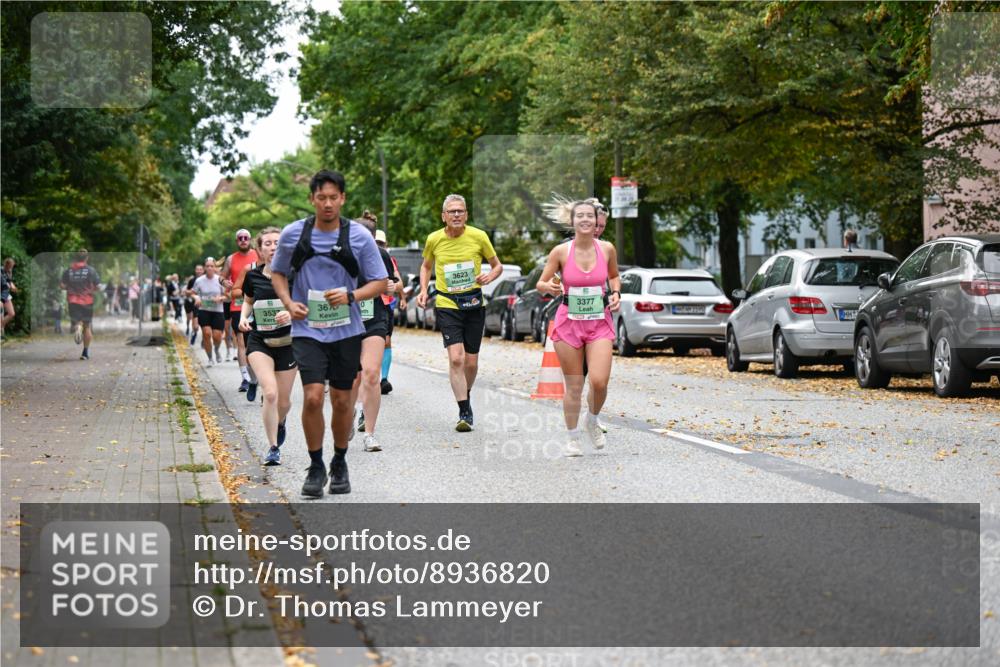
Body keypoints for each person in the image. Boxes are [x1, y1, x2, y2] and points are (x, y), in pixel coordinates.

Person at [270, 170, 388, 498]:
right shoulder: (294, 234)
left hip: (346, 330)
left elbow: (379, 281)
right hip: (307, 328)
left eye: (333, 198)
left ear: (343, 199)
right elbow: (278, 273)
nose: (327, 204)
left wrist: (351, 296)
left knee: (341, 400)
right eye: (321, 198)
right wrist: (289, 302)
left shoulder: (359, 237)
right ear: (312, 199)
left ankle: (339, 460)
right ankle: (316, 464)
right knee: (310, 397)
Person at [535, 201, 621, 457]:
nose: (585, 220)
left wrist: (616, 292)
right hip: (568, 322)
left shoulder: (606, 249)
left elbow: (614, 276)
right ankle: (572, 439)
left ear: (597, 222)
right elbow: (542, 281)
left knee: (599, 381)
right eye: (579, 216)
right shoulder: (560, 252)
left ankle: (592, 419)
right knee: (574, 385)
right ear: (572, 222)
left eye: (589, 216)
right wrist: (548, 287)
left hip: (599, 323)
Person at [417, 194, 502, 432]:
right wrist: (424, 290)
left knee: (471, 363)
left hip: (474, 303)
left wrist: (490, 276)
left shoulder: (479, 236)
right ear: (443, 216)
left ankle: (466, 391)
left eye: (460, 211)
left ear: (466, 214)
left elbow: (498, 266)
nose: (456, 215)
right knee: (456, 358)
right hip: (447, 303)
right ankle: (464, 410)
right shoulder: (434, 239)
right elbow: (425, 266)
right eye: (452, 211)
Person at [236, 227, 297, 466]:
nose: (273, 247)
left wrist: (291, 313)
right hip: (260, 341)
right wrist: (243, 317)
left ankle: (280, 422)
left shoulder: (295, 275)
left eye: (278, 243)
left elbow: (305, 305)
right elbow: (248, 301)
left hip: (289, 343)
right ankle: (273, 447)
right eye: (268, 244)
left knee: (284, 401)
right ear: (260, 250)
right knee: (269, 393)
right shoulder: (253, 276)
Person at [351, 211, 398, 453]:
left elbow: (393, 284)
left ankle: (369, 433)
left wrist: (391, 285)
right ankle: (349, 414)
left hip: (374, 318)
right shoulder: (341, 256)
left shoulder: (381, 255)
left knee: (371, 374)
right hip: (346, 319)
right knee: (352, 376)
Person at [222, 229, 260, 394]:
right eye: (240, 238)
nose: (243, 240)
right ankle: (246, 378)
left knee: (256, 342)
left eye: (246, 238)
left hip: (258, 304)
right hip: (238, 305)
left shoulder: (258, 255)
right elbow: (221, 277)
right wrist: (225, 283)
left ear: (250, 240)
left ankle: (256, 375)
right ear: (237, 241)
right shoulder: (231, 259)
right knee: (242, 341)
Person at [375, 229, 406, 394]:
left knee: (385, 341)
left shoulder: (388, 258)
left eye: (380, 243)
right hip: (360, 304)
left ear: (385, 245)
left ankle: (384, 379)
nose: (377, 246)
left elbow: (398, 282)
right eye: (375, 242)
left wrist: (399, 293)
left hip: (384, 305)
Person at [61, 249, 102, 360]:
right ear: (87, 258)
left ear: (75, 258)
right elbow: (98, 286)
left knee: (77, 321)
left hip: (73, 300)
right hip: (87, 301)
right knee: (87, 326)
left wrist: (69, 287)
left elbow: (62, 285)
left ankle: (78, 326)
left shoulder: (69, 270)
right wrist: (91, 289)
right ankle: (85, 353)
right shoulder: (91, 270)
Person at [191, 258, 227, 365]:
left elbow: (228, 295)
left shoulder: (220, 280)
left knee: (217, 336)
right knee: (206, 334)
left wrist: (220, 298)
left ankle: (216, 350)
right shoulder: (199, 280)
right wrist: (196, 298)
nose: (210, 268)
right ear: (204, 268)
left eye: (212, 266)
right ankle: (210, 357)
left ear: (215, 267)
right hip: (204, 310)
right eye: (208, 266)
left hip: (218, 311)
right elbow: (193, 293)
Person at [185, 264, 204, 342]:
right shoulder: (192, 280)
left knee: (204, 325)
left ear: (203, 270)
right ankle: (194, 332)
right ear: (195, 271)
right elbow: (187, 291)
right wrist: (190, 293)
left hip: (206, 305)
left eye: (200, 269)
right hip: (195, 304)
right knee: (196, 326)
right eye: (197, 269)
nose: (199, 271)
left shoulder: (206, 279)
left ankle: (204, 339)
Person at [1, 257, 15, 338]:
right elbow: (5, 284)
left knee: (11, 313)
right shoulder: (1, 270)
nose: (11, 268)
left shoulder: (9, 272)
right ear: (7, 264)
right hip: (2, 294)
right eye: (11, 266)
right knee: (1, 314)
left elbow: (10, 282)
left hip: (6, 294)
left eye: (12, 266)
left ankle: (1, 326)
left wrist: (13, 287)